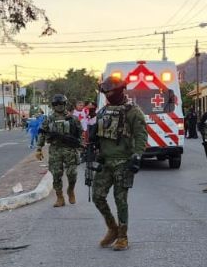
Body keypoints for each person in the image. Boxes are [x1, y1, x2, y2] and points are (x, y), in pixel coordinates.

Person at [90, 76, 147, 251]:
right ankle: (112, 228)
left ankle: (123, 236)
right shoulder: (103, 111)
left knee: (120, 200)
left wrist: (137, 156)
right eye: (105, 92)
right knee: (97, 196)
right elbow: (98, 136)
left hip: (123, 162)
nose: (107, 95)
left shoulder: (133, 111)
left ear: (121, 90)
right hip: (105, 162)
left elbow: (141, 136)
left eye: (110, 91)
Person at [36, 94, 82, 207]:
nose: (59, 106)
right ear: (53, 105)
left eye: (61, 103)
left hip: (70, 150)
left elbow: (79, 134)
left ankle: (70, 190)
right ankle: (59, 197)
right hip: (55, 150)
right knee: (56, 175)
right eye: (56, 104)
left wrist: (79, 146)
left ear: (65, 104)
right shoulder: (49, 119)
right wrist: (39, 148)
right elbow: (42, 133)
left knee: (72, 174)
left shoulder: (73, 119)